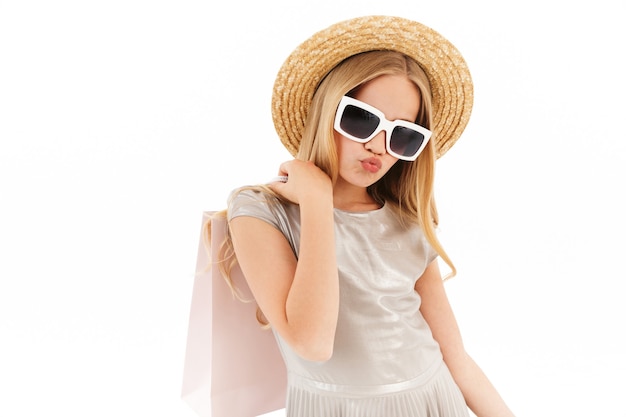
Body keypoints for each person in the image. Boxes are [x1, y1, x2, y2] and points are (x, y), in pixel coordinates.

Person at [219, 15, 516, 417]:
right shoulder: (259, 211)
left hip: (433, 400)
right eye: (362, 119)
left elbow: (457, 359)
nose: (378, 146)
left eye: (403, 134)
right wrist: (317, 201)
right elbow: (312, 342)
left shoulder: (406, 223)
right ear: (327, 111)